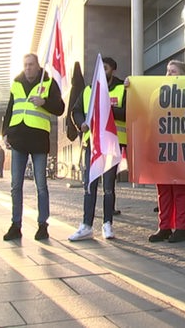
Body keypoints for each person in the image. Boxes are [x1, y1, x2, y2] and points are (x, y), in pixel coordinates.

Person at [1, 53, 65, 241]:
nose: (28, 68)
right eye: (25, 64)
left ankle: (42, 225)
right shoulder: (17, 83)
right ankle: (15, 224)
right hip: (18, 139)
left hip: (38, 140)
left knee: (41, 185)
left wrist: (44, 102)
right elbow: (10, 109)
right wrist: (5, 132)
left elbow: (60, 108)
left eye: (31, 64)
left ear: (38, 66)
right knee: (15, 185)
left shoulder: (48, 82)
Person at [68, 57, 125, 241]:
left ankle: (107, 224)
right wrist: (81, 123)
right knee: (90, 185)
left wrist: (107, 108)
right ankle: (86, 225)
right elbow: (75, 110)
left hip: (112, 144)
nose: (102, 71)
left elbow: (128, 112)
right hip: (92, 144)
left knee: (108, 186)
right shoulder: (88, 91)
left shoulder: (122, 88)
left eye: (106, 68)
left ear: (112, 70)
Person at [149, 59, 185, 243]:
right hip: (162, 146)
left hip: (182, 147)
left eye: (173, 71)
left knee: (181, 187)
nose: (168, 74)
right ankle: (164, 226)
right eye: (167, 71)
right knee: (164, 188)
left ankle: (182, 228)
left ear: (183, 75)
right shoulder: (157, 93)